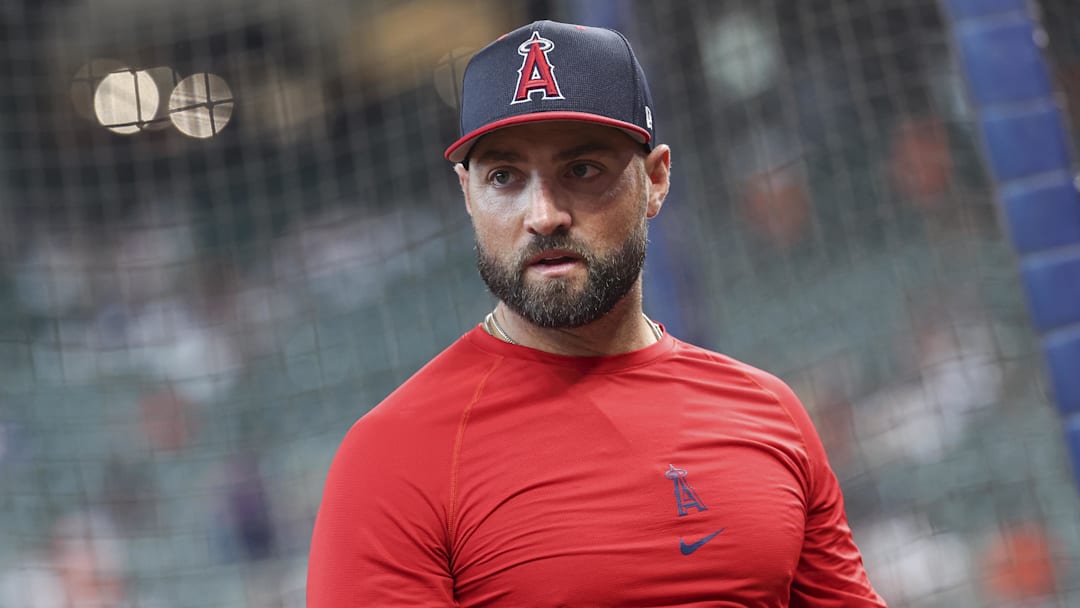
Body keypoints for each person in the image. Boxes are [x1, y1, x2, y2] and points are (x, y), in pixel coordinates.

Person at [308, 20, 886, 607]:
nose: (544, 214)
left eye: (582, 170)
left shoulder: (769, 415)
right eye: (504, 177)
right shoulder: (393, 459)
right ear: (467, 194)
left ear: (656, 179)